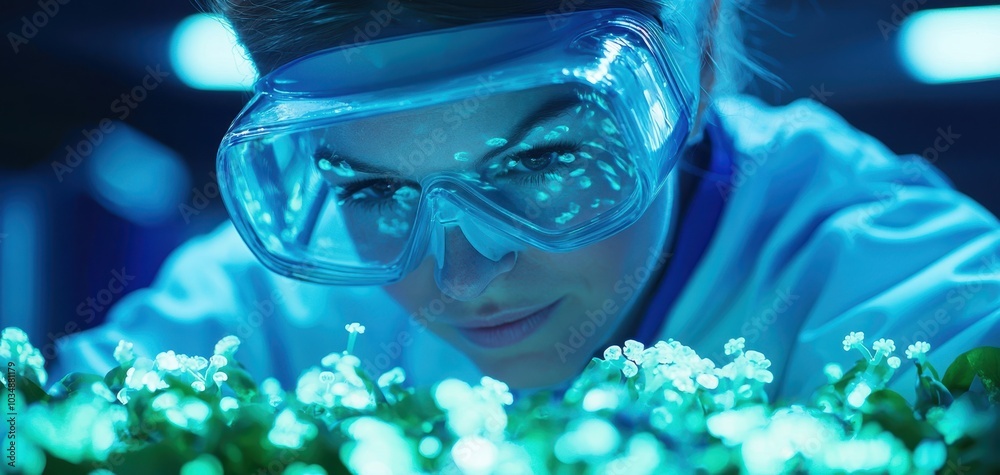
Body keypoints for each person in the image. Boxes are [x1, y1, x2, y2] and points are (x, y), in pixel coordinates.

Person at [54, 0, 1000, 403]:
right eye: (371, 184)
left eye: (541, 159)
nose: (456, 277)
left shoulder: (914, 299)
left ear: (693, 66)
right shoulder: (261, 313)